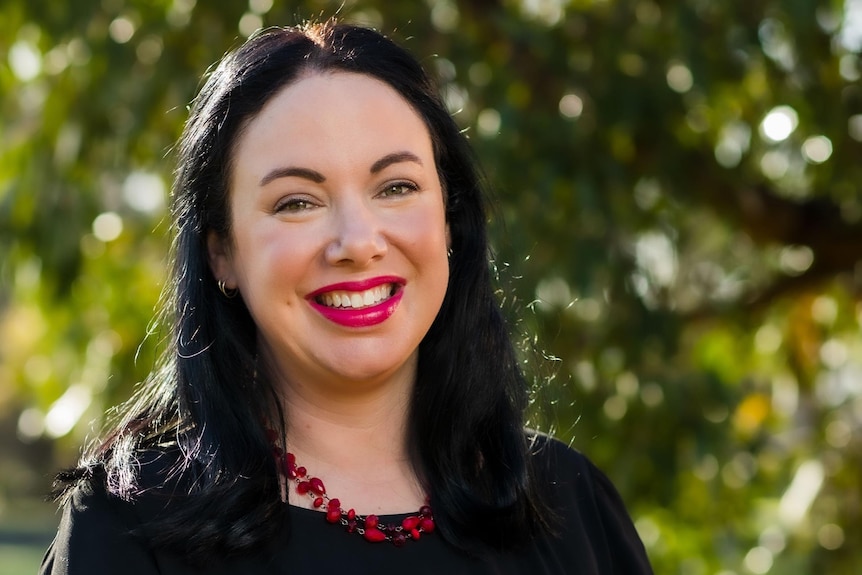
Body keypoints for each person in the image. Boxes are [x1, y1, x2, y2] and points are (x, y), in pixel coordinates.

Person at [40, 19, 653, 574]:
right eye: (297, 202)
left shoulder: (568, 504)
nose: (357, 243)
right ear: (221, 252)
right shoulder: (128, 528)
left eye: (396, 187)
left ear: (449, 223)